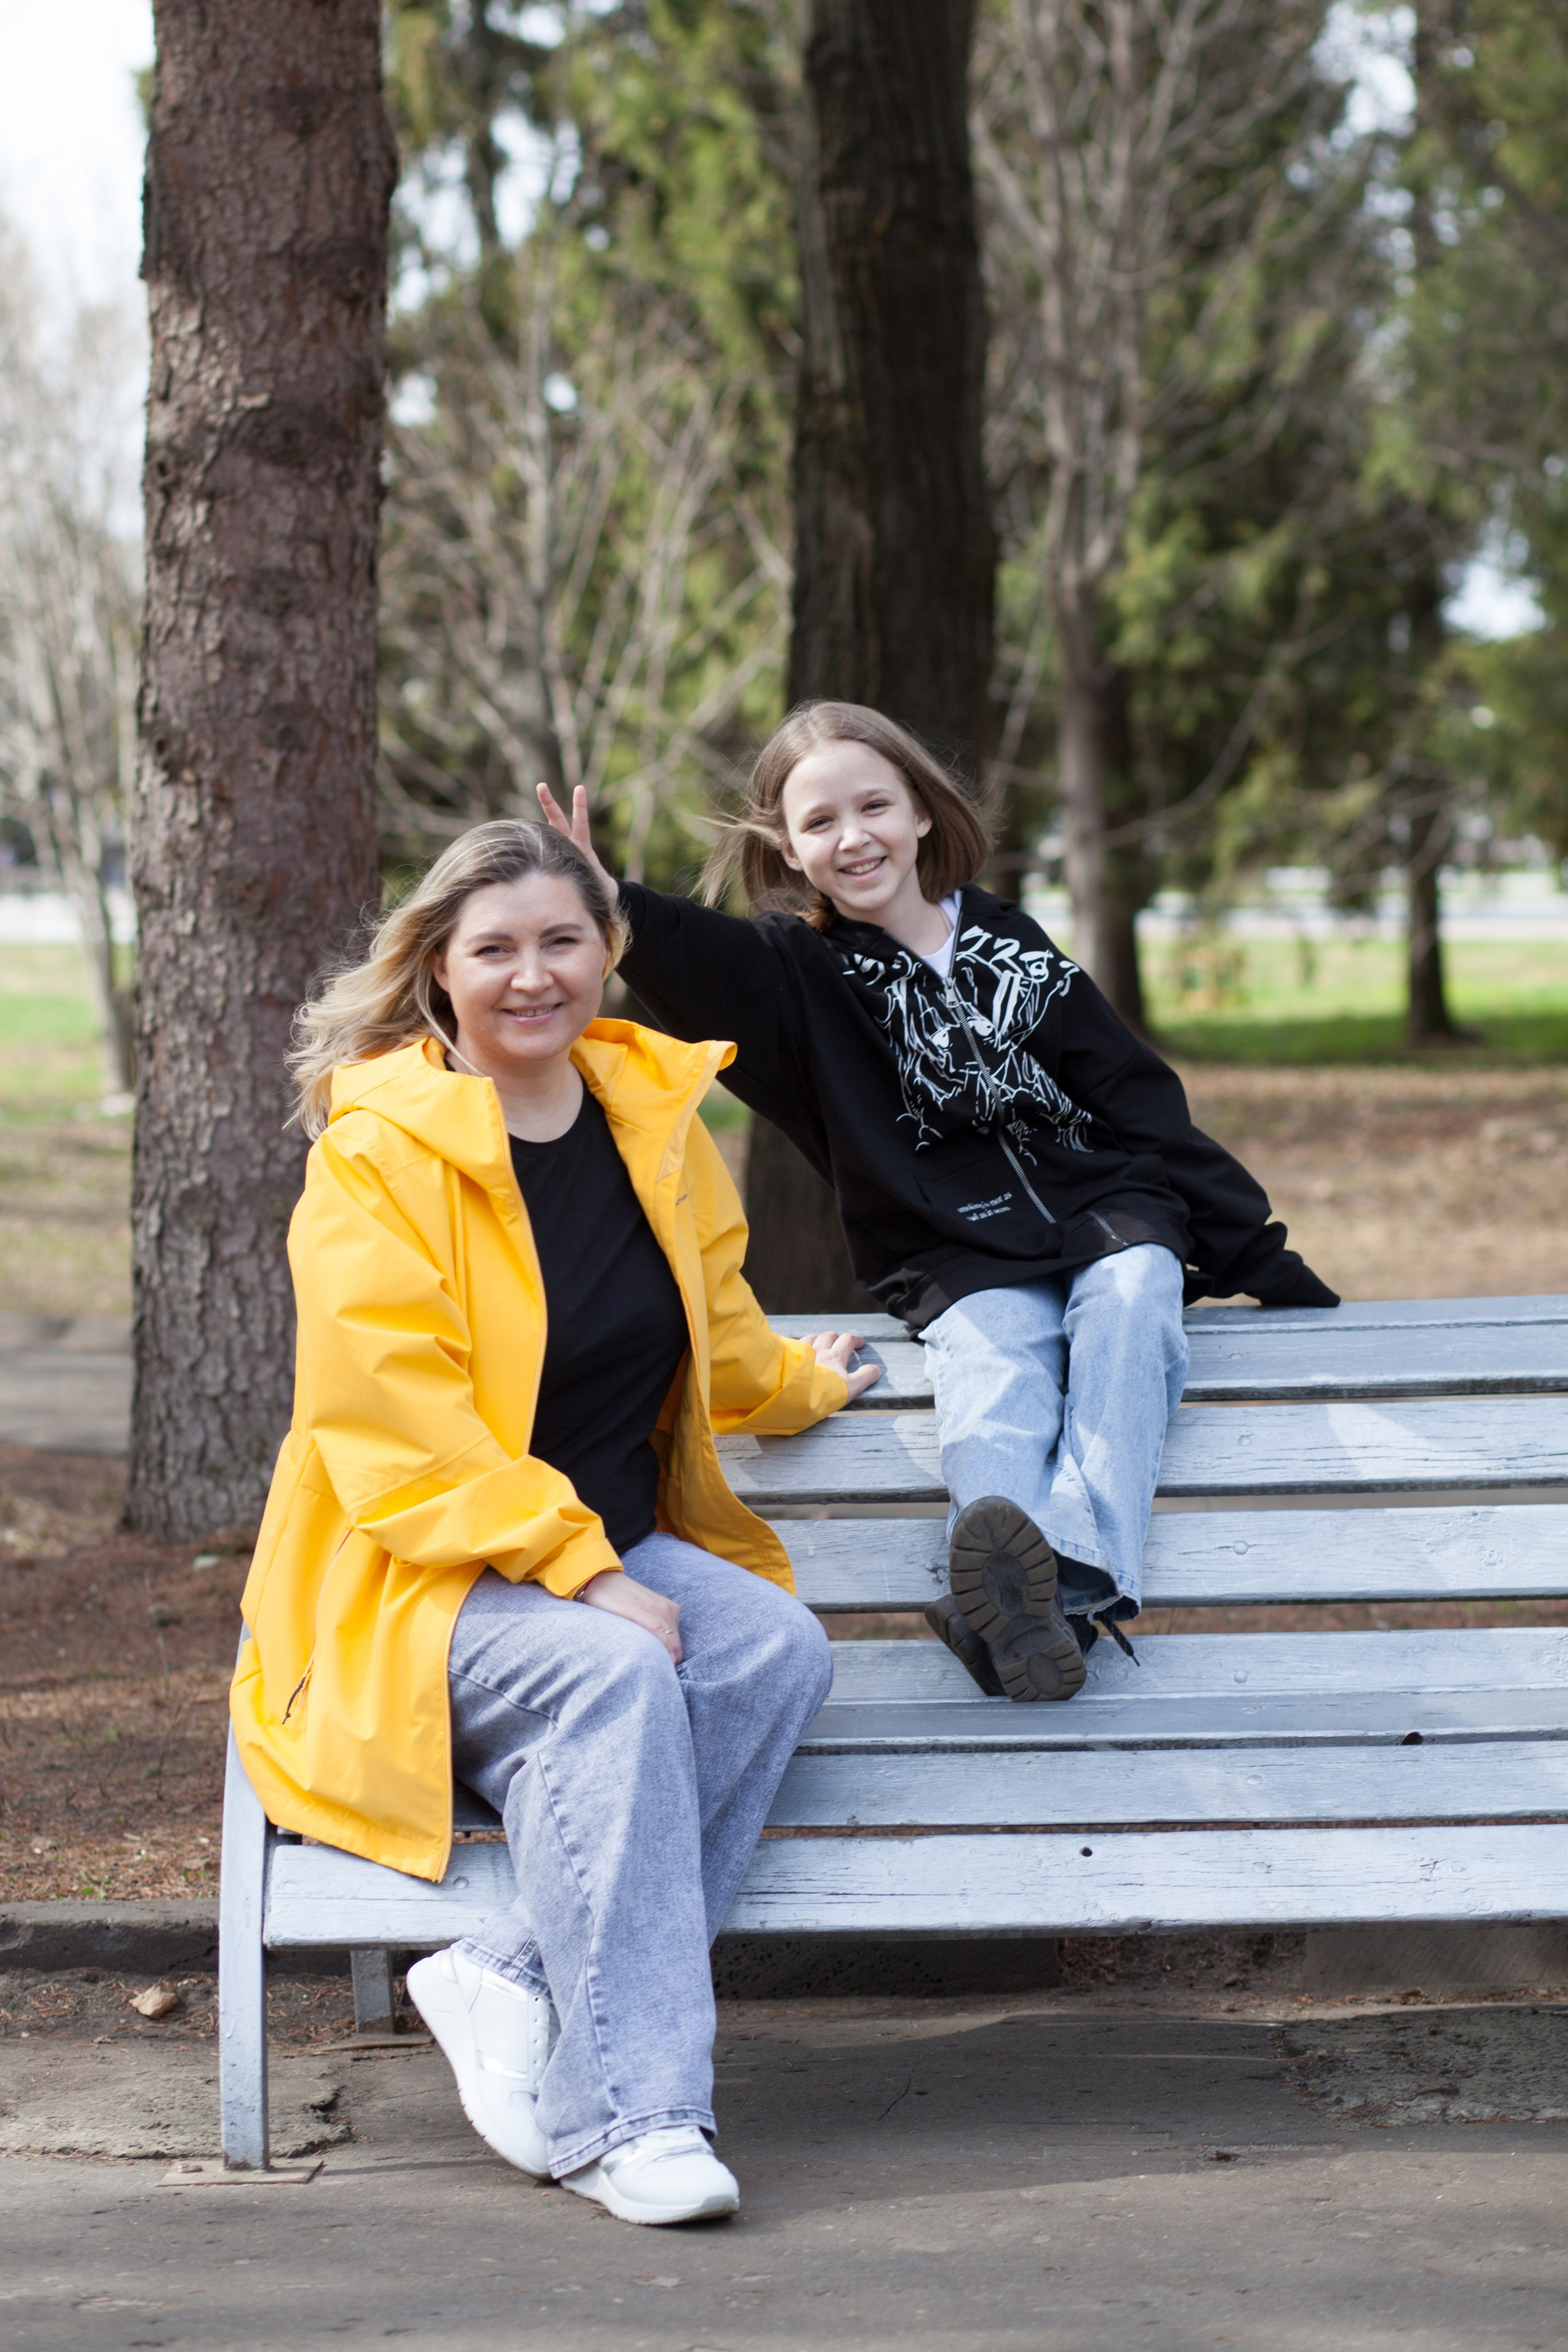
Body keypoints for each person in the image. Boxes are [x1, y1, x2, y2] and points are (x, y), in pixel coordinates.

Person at [229, 820, 878, 2225]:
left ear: (608, 952)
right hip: (419, 1578)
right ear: (440, 972)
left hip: (592, 1558)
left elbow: (711, 1331)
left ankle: (510, 1968)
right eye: (496, 950)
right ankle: (633, 2121)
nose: (534, 977)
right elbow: (394, 1421)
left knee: (771, 1648)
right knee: (619, 1675)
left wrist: (805, 1384)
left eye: (561, 942)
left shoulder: (650, 1117)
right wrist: (581, 1571)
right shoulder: (379, 1152)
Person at [538, 700, 1338, 1705]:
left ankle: (1052, 1586)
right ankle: (1043, 1600)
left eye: (874, 805)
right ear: (787, 845)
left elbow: (1137, 1099)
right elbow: (703, 958)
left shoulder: (1013, 944)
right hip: (948, 1249)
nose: (852, 836)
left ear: (922, 812)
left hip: (1107, 1213)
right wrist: (614, 901)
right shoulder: (799, 975)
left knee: (1135, 1294)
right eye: (819, 821)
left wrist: (1261, 1258)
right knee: (997, 1360)